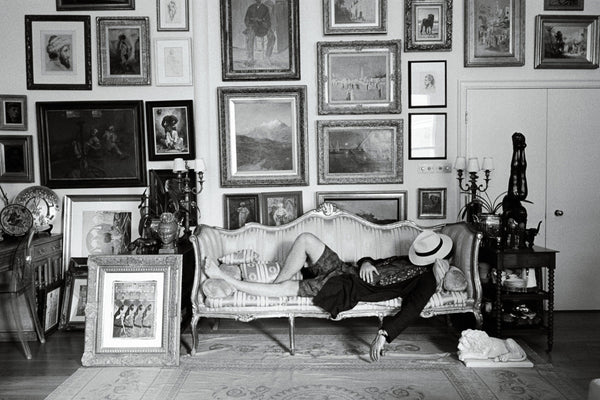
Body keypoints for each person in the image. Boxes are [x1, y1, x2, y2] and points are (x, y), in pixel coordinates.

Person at [204, 229, 453, 362]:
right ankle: (277, 288)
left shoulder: (426, 280)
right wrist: (366, 263)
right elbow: (372, 260)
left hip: (344, 287)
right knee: (305, 238)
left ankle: (227, 278)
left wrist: (384, 335)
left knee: (287, 289)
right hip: (345, 269)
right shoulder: (407, 259)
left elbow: (412, 309)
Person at [243, 0, 275, 66]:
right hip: (253, 27)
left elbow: (268, 21)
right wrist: (249, 25)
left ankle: (267, 57)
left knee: (272, 36)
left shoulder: (265, 8)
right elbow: (246, 19)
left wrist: (261, 21)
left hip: (262, 28)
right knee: (249, 35)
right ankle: (250, 58)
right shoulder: (250, 8)